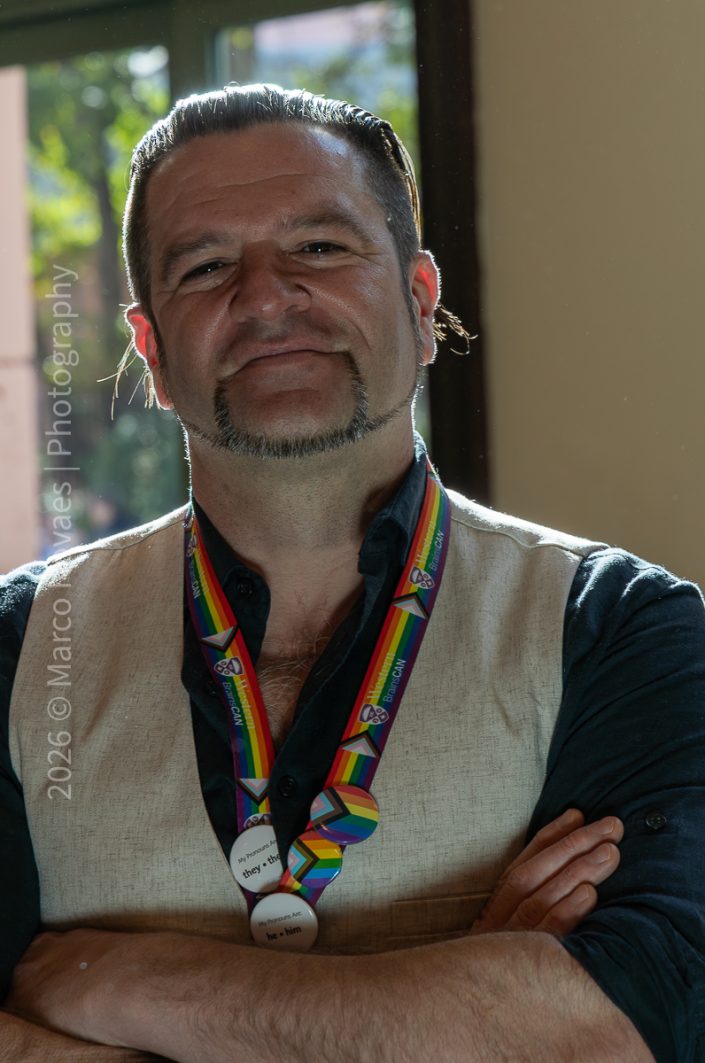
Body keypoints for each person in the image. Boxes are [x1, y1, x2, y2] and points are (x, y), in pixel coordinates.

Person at [1, 84, 704, 1062]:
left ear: (420, 302)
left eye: (321, 248)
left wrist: (100, 983)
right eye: (206, 266)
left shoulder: (622, 628)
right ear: (152, 351)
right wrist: (472, 1011)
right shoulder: (21, 646)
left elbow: (629, 1023)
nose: (266, 297)